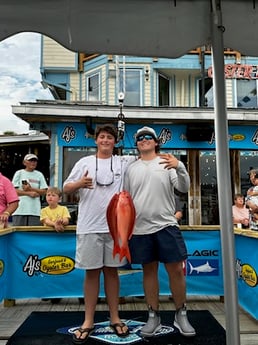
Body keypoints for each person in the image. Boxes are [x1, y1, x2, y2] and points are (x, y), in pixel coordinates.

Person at [63, 124, 136, 344]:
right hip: (89, 226)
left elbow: (145, 155)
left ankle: (115, 317)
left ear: (115, 142)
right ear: (96, 140)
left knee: (112, 273)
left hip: (115, 228)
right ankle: (88, 321)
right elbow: (65, 188)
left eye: (110, 138)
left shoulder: (123, 162)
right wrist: (79, 183)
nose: (105, 140)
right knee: (91, 274)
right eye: (102, 137)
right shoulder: (83, 162)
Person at [124, 126, 196, 338]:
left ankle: (181, 312)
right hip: (139, 228)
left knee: (175, 270)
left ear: (156, 142)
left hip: (166, 225)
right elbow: (126, 199)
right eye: (139, 138)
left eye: (148, 137)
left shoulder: (167, 162)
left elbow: (184, 187)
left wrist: (180, 166)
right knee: (149, 271)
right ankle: (153, 315)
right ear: (136, 144)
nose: (143, 139)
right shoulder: (131, 168)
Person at [12, 153, 48, 226]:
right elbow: (12, 191)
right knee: (19, 232)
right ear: (24, 162)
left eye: (35, 161)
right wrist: (29, 193)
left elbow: (45, 191)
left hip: (34, 210)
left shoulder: (39, 174)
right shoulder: (19, 173)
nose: (33, 163)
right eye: (31, 161)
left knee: (33, 232)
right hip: (19, 209)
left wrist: (31, 189)